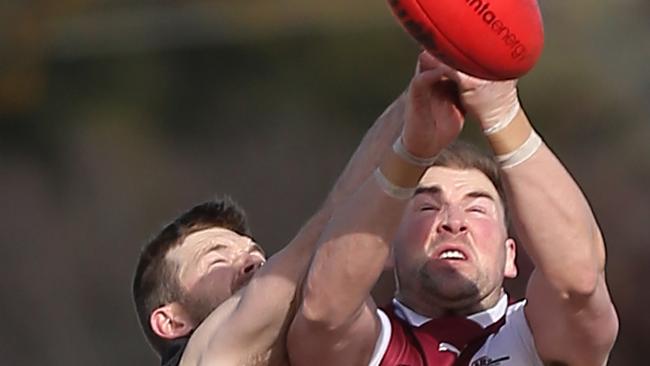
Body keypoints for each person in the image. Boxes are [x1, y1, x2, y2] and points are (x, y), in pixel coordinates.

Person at [287, 51, 619, 366]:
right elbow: (322, 310)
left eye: (477, 210)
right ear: (385, 249)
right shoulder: (370, 341)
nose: (452, 223)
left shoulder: (536, 337)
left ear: (511, 256)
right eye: (427, 207)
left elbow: (580, 279)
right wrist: (411, 149)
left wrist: (503, 115)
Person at [131, 59, 448, 366]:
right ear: (172, 322)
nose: (252, 260)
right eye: (217, 259)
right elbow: (326, 227)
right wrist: (416, 108)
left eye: (254, 250)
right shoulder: (208, 351)